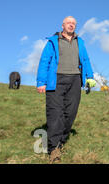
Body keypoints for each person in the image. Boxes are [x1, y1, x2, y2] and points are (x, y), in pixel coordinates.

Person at [36, 16, 96, 162]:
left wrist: (90, 76)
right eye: (69, 23)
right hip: (55, 80)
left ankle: (61, 141)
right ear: (62, 25)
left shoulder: (79, 42)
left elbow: (86, 60)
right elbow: (45, 61)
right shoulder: (53, 41)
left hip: (75, 79)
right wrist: (41, 82)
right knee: (55, 114)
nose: (71, 25)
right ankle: (54, 149)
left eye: (74, 23)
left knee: (70, 113)